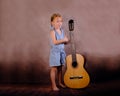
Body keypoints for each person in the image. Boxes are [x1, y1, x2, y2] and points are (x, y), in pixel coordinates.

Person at [49, 13, 69, 91]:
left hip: (61, 52)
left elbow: (63, 41)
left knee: (60, 68)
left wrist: (66, 41)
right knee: (54, 69)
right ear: (52, 23)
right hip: (55, 52)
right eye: (57, 21)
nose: (59, 23)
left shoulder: (62, 30)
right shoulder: (53, 32)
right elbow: (55, 42)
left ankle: (60, 82)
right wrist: (63, 40)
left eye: (61, 21)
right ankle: (54, 85)